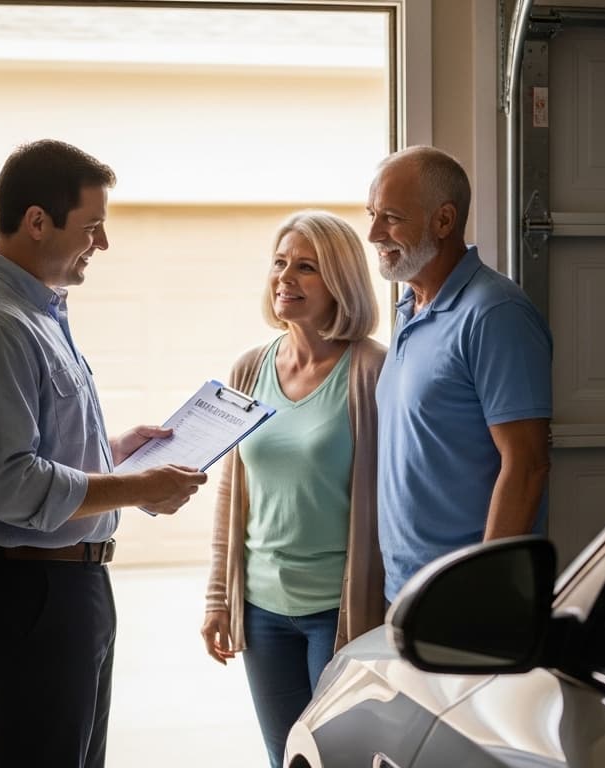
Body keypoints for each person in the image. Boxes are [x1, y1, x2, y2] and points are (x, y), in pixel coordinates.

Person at [0, 139, 208, 768]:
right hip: (32, 594)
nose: (101, 243)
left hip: (66, 587)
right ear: (37, 221)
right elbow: (13, 484)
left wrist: (116, 453)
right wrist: (138, 488)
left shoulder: (38, 313)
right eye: (91, 226)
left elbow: (41, 448)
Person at [200, 210, 386, 768]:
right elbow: (233, 490)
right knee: (286, 759)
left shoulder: (372, 371)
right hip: (261, 611)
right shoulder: (249, 369)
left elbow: (393, 496)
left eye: (306, 267)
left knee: (341, 759)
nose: (285, 277)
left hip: (339, 611)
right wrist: (218, 598)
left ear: (341, 282)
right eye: (280, 263)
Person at [368, 145, 553, 603]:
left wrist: (482, 590)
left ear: (444, 220)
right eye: (372, 214)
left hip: (468, 598)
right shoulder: (411, 308)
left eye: (391, 217)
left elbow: (527, 464)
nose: (373, 233)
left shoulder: (496, 312)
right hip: (407, 591)